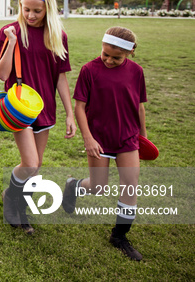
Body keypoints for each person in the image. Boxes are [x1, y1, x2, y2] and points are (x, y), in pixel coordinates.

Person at [0, 0, 76, 234]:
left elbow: (61, 77)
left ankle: (15, 197)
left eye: (37, 11)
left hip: (45, 108)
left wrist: (70, 113)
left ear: (48, 9)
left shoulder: (57, 36)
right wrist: (10, 43)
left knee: (36, 165)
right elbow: (2, 73)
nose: (30, 15)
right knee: (29, 162)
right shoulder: (10, 31)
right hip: (19, 108)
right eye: (26, 9)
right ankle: (12, 200)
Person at [62, 27, 146, 261]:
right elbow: (79, 106)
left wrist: (143, 139)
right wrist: (87, 138)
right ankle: (74, 185)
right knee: (99, 187)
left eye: (116, 58)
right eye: (105, 54)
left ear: (129, 53)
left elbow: (139, 106)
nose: (108, 60)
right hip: (98, 137)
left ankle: (119, 236)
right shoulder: (90, 70)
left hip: (128, 138)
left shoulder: (137, 72)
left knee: (130, 185)